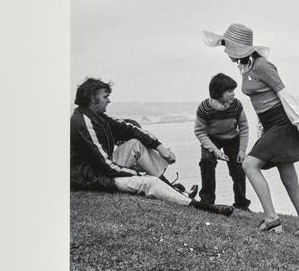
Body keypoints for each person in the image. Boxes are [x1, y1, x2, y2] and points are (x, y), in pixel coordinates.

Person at [204, 23, 299, 236]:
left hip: (282, 123)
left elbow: (284, 94)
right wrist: (262, 130)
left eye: (227, 45)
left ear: (237, 47)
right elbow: (260, 103)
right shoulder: (246, 67)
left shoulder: (262, 66)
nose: (225, 50)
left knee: (249, 164)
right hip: (270, 124)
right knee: (288, 176)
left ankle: (272, 218)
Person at [70, 77, 233, 215]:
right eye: (105, 96)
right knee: (150, 183)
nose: (109, 100)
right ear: (93, 98)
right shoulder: (83, 123)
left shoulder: (96, 116)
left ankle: (177, 192)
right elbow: (105, 166)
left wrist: (160, 147)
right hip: (92, 178)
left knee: (135, 144)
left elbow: (130, 129)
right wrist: (136, 174)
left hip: (100, 169)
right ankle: (202, 206)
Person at [194, 73, 251, 210]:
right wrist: (215, 150)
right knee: (207, 161)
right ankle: (207, 201)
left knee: (238, 169)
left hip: (232, 138)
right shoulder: (204, 108)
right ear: (219, 92)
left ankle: (241, 203)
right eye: (230, 91)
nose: (233, 94)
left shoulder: (236, 105)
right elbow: (200, 131)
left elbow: (243, 127)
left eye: (233, 91)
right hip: (211, 138)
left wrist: (242, 150)